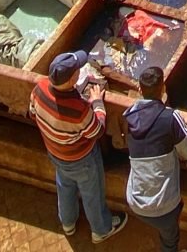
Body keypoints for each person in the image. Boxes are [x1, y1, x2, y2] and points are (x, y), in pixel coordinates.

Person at [28, 51, 128, 243]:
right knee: (92, 193)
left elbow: (33, 113)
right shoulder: (78, 110)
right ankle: (101, 229)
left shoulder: (39, 89)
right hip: (82, 159)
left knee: (64, 186)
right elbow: (97, 131)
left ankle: (68, 222)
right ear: (73, 77)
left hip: (56, 154)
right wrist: (97, 103)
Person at [125, 67, 187, 252]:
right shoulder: (171, 117)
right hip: (163, 208)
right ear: (163, 89)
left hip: (135, 201)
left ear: (140, 90)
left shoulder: (130, 115)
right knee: (170, 239)